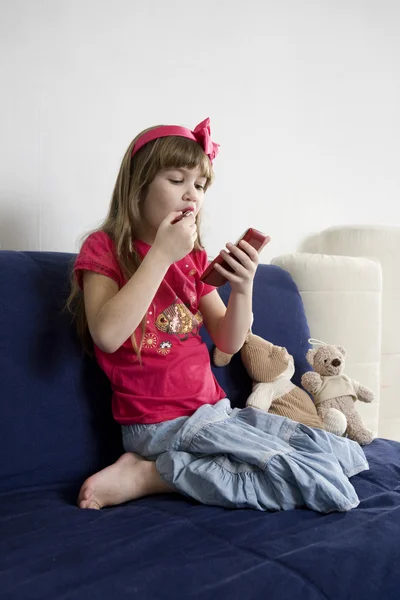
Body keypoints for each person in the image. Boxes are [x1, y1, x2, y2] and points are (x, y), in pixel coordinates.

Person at [67, 118, 368, 514]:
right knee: (313, 482)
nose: (191, 194)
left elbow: (229, 341)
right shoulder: (105, 248)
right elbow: (107, 334)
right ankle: (150, 475)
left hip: (214, 413)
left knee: (340, 455)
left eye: (200, 185)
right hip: (158, 425)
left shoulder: (193, 261)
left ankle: (165, 471)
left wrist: (243, 286)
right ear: (136, 186)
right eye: (177, 179)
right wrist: (160, 255)